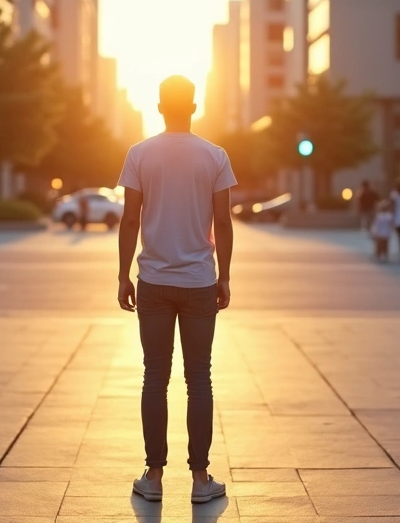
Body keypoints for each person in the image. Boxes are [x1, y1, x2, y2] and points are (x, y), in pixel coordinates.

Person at [118, 75, 235, 505]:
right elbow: (222, 222)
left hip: (152, 281)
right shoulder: (215, 156)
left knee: (155, 376)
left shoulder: (139, 154)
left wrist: (121, 274)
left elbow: (130, 219)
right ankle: (201, 479)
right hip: (200, 281)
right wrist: (224, 275)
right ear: (194, 105)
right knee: (198, 377)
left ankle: (152, 476)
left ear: (160, 106)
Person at [370, 199, 394, 263]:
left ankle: (378, 255)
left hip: (379, 233)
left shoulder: (378, 216)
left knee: (379, 245)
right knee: (385, 245)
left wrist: (374, 233)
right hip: (386, 233)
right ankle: (384, 256)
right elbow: (391, 225)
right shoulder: (389, 216)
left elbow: (376, 225)